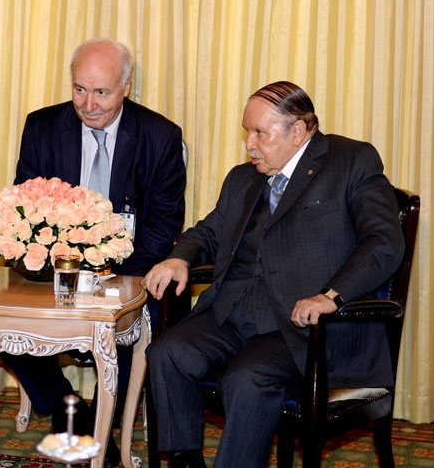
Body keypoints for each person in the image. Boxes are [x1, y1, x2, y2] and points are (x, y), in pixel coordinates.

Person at [143, 80, 404, 468]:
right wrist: (179, 258)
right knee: (167, 352)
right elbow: (209, 231)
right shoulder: (243, 178)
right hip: (234, 313)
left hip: (305, 328)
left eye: (259, 133)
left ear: (297, 131)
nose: (249, 143)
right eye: (247, 131)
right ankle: (185, 463)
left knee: (246, 378)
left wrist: (331, 295)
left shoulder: (350, 161)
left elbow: (383, 242)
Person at [3, 38, 187, 467]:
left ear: (126, 85)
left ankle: (109, 427)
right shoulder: (43, 127)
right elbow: (25, 207)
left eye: (101, 92)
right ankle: (68, 404)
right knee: (2, 318)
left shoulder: (160, 137)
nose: (88, 104)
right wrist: (61, 265)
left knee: (140, 323)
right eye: (79, 89)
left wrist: (109, 276)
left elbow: (163, 227)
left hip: (130, 268)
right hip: (56, 269)